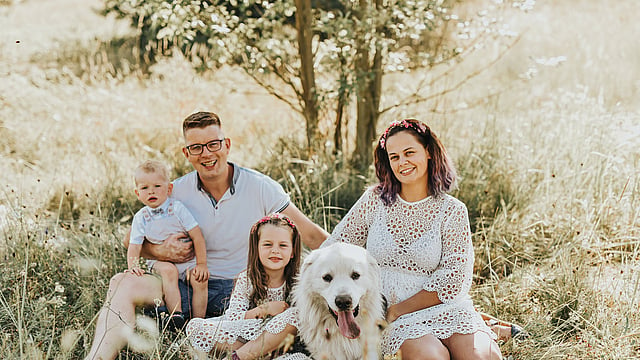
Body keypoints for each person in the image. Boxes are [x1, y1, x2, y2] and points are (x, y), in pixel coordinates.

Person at [84, 111, 328, 360]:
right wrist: (159, 251)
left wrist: (359, 259)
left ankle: (234, 346)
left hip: (242, 294)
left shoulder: (261, 187)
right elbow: (131, 241)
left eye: (214, 144)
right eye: (197, 147)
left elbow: (310, 235)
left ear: (227, 145)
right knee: (121, 282)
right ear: (186, 153)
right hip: (184, 289)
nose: (207, 153)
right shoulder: (173, 191)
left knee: (278, 325)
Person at [321, 119, 503, 359]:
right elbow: (335, 248)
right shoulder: (374, 201)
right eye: (394, 157)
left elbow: (455, 277)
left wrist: (399, 309)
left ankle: (490, 329)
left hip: (446, 308)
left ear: (428, 152)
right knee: (431, 357)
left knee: (481, 356)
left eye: (409, 153)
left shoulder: (452, 210)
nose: (402, 162)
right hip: (391, 316)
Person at [187, 213, 304, 360]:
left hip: (280, 339)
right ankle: (257, 355)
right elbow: (233, 317)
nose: (275, 250)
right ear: (257, 248)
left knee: (295, 315)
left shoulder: (299, 281)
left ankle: (239, 357)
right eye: (268, 244)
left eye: (283, 245)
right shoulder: (247, 279)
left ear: (293, 251)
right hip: (246, 334)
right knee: (195, 327)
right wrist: (264, 309)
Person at [127, 159, 209, 328]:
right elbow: (134, 245)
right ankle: (175, 316)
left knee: (199, 279)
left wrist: (201, 264)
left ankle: (198, 322)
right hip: (159, 262)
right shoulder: (141, 217)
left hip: (187, 261)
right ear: (137, 193)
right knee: (169, 271)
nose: (151, 191)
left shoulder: (177, 208)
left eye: (157, 186)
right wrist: (133, 265)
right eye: (145, 188)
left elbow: (197, 236)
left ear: (169, 188)